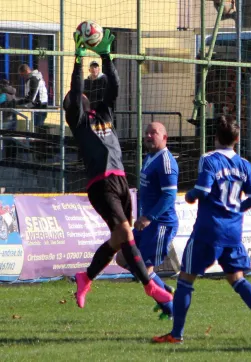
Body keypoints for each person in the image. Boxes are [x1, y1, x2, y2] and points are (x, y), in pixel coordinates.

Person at [64, 30, 173, 309]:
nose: (74, 98)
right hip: (101, 185)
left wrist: (106, 55)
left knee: (119, 240)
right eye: (71, 100)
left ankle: (85, 277)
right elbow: (76, 91)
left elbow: (114, 86)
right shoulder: (77, 121)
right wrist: (78, 58)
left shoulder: (103, 113)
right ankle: (150, 287)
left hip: (121, 181)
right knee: (125, 235)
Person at [152, 115, 251, 344]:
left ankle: (176, 334)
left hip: (208, 231)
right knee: (237, 278)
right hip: (233, 232)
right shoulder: (244, 164)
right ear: (237, 139)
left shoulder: (209, 159)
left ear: (215, 137)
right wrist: (237, 209)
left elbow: (202, 189)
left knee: (185, 280)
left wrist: (190, 196)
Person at [116, 122, 179, 320]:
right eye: (147, 133)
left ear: (165, 137)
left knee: (145, 270)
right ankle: (165, 291)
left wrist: (149, 217)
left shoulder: (166, 162)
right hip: (147, 223)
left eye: (154, 133)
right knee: (122, 258)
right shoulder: (150, 156)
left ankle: (171, 309)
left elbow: (169, 197)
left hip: (160, 224)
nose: (149, 136)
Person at [17, 64, 49, 129]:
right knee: (37, 127)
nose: (22, 77)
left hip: (40, 106)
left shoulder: (34, 79)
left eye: (22, 74)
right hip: (39, 105)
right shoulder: (33, 78)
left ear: (26, 71)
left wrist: (17, 102)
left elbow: (31, 98)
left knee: (38, 127)